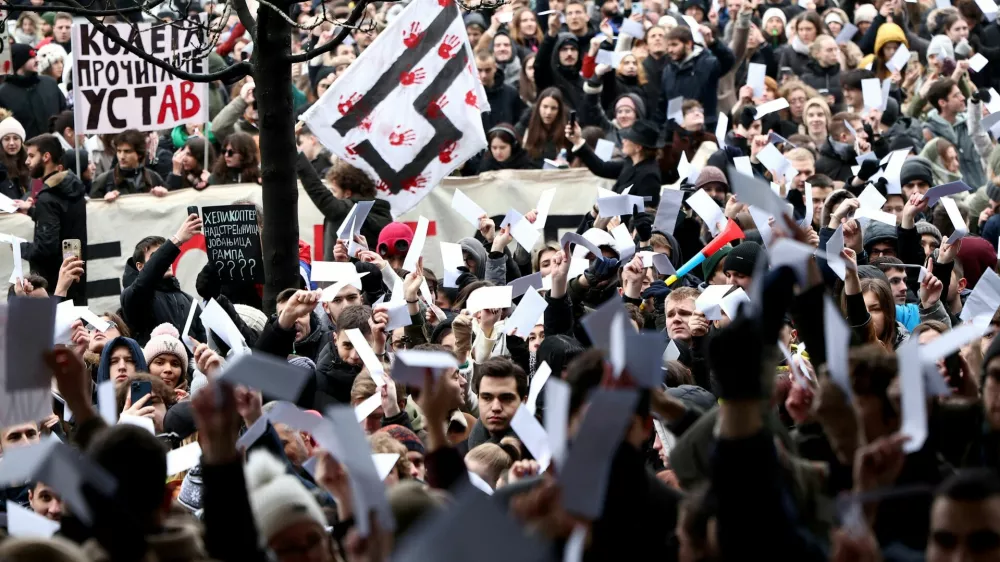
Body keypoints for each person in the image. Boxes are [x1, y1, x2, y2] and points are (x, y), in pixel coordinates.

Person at [19, 133, 87, 304]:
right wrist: (32, 212)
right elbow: (63, 219)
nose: (27, 161)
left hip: (54, 286)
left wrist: (20, 247)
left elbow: (46, 248)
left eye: (32, 156)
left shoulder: (48, 198)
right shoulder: (73, 188)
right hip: (75, 280)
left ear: (46, 157)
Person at [120, 213, 206, 345]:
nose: (166, 261)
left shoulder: (190, 302)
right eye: (156, 256)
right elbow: (144, 281)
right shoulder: (134, 296)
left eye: (165, 255)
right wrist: (177, 240)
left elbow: (202, 344)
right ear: (140, 266)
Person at [295, 147, 392, 261]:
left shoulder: (345, 210)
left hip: (345, 276)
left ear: (347, 193)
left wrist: (296, 153)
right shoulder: (381, 213)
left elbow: (317, 190)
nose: (332, 196)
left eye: (334, 191)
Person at [566, 118, 663, 208]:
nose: (623, 141)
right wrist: (578, 141)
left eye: (627, 139)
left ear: (638, 147)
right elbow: (602, 168)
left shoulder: (649, 176)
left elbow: (645, 211)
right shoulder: (630, 162)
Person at [658, 25, 734, 129]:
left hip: (704, 128)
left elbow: (728, 61)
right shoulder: (668, 71)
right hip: (677, 132)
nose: (670, 50)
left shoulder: (707, 63)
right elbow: (663, 104)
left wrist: (713, 43)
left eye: (674, 45)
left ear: (688, 44)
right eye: (668, 46)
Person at [0, 44, 66, 140]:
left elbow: (64, 112)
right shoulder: (3, 93)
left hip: (55, 147)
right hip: (24, 151)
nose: (37, 60)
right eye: (32, 57)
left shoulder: (49, 83)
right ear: (20, 61)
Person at [467, 356, 527, 450]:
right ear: (478, 398)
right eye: (487, 398)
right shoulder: (460, 454)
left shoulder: (545, 456)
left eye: (506, 398)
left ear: (523, 402)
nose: (495, 407)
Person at [90, 129, 167, 200]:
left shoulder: (153, 178)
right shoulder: (104, 180)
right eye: (119, 151)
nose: (122, 156)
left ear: (139, 154)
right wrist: (104, 202)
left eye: (127, 151)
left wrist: (164, 195)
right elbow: (92, 209)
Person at [518, 86, 571, 165]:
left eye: (553, 108)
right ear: (538, 107)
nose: (548, 112)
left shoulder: (568, 128)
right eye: (545, 107)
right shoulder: (526, 125)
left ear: (559, 110)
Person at [477, 51, 528, 131]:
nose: (483, 75)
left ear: (495, 68)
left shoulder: (511, 93)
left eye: (488, 70)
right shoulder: (468, 95)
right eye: (479, 70)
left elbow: (521, 119)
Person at [0, 111, 30, 203]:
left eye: (16, 138)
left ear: (22, 141)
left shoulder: (29, 161)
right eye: (7, 139)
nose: (12, 143)